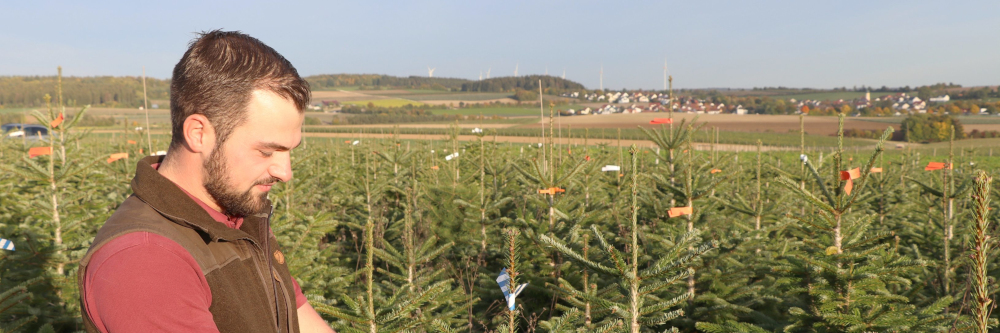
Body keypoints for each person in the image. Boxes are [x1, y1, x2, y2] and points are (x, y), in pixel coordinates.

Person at [77, 30, 334, 333]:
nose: (285, 172)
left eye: (289, 150)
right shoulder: (145, 262)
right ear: (198, 133)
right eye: (266, 151)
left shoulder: (237, 218)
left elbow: (300, 320)